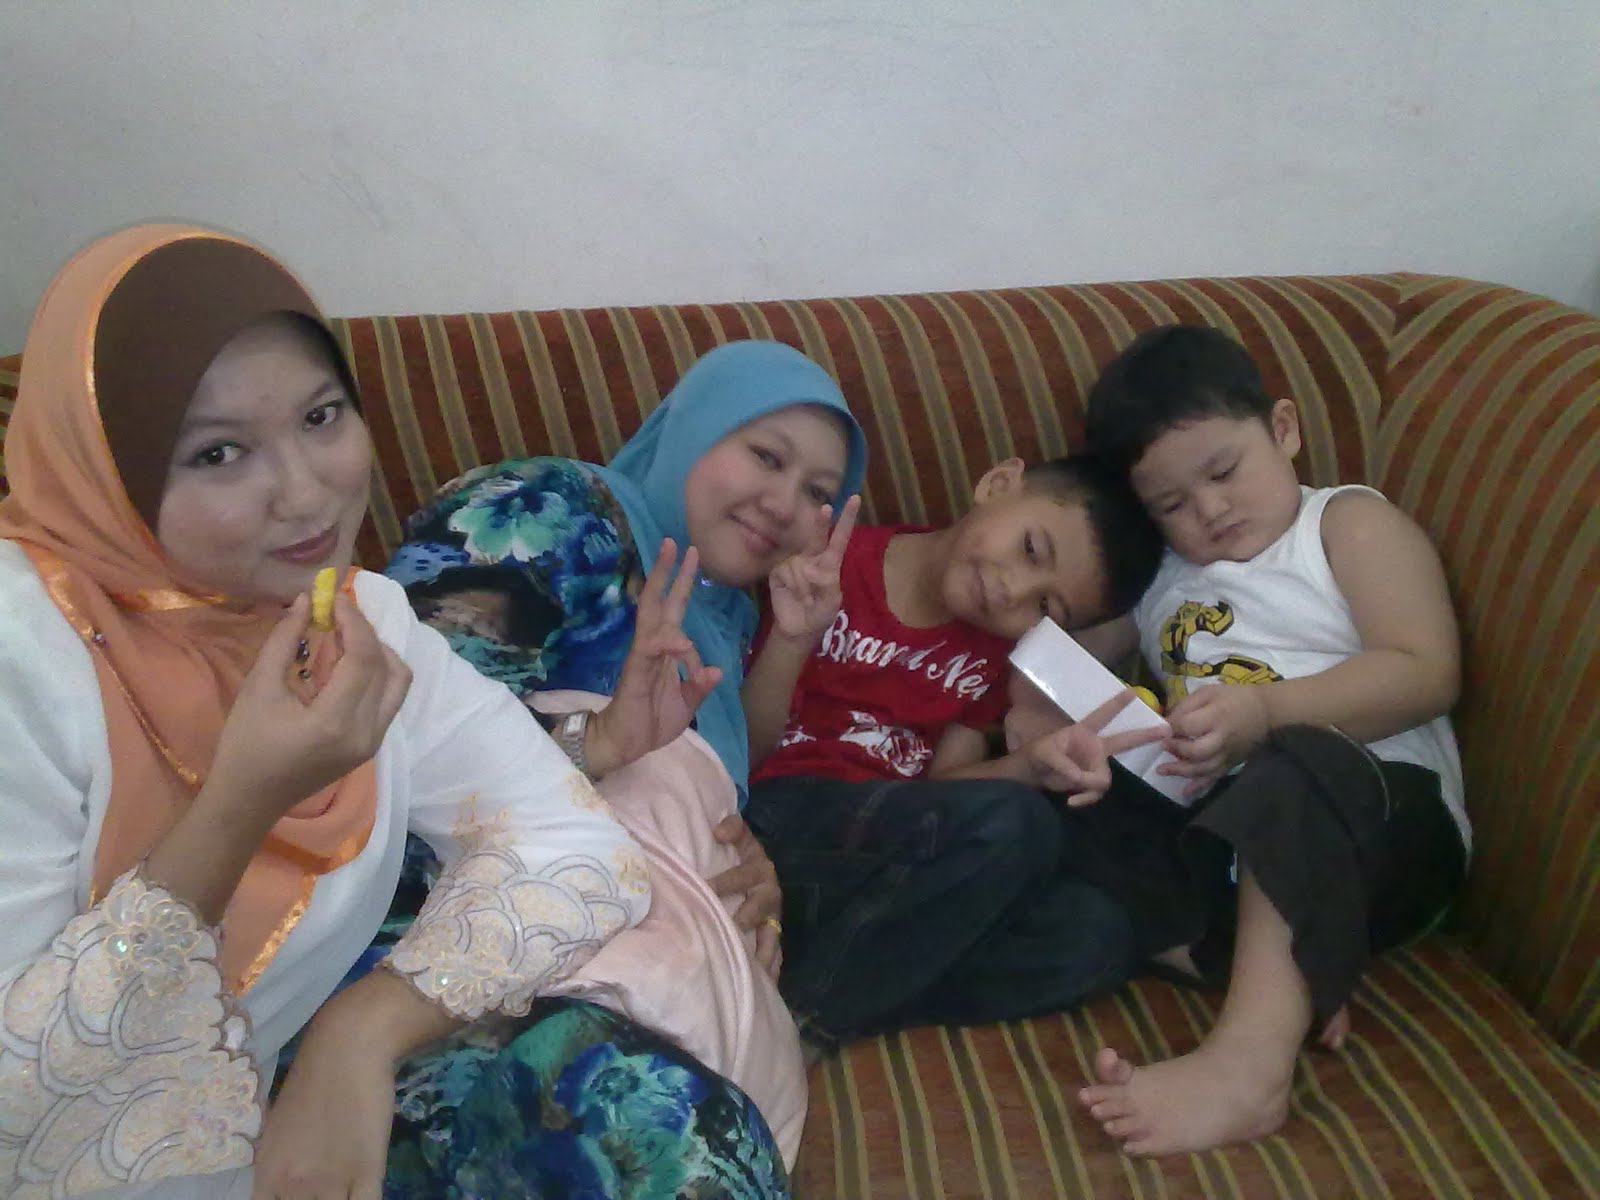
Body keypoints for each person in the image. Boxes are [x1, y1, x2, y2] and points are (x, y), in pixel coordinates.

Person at [0, 224, 788, 1199]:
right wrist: (241, 801)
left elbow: (575, 845)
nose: (305, 493)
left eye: (322, 416)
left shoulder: (350, 619)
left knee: (654, 1129)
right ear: (102, 462)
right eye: (217, 452)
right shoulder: (25, 656)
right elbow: (24, 1099)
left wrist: (365, 1029)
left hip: (282, 1118)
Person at [1064, 324, 1469, 1156]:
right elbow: (1064, 657)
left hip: (1377, 822)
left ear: (1282, 429)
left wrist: (1265, 714)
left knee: (1293, 763)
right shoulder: (1161, 580)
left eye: (1223, 472)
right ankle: (1295, 969)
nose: (1209, 511)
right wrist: (1045, 721)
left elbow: (1428, 671)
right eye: (1171, 505)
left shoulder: (1343, 524)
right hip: (1222, 848)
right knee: (1070, 796)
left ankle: (1249, 1068)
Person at [742, 454, 1168, 1051]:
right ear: (997, 483)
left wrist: (1029, 765)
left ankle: (827, 965)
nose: (1013, 590)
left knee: (1095, 936)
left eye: (1045, 607)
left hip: (880, 870)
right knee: (1022, 822)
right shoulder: (832, 562)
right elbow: (741, 744)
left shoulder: (994, 654)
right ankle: (805, 1025)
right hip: (779, 818)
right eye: (1031, 549)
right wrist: (794, 638)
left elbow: (945, 790)